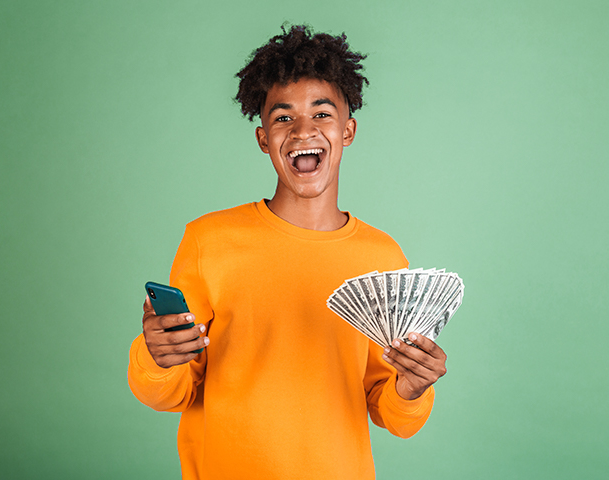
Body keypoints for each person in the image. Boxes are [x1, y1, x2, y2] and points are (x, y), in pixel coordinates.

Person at [128, 25, 447, 480]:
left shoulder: (383, 255)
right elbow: (171, 394)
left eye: (322, 114)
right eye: (283, 118)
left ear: (348, 130)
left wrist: (412, 389)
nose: (303, 130)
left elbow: (390, 412)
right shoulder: (208, 241)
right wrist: (157, 358)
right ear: (263, 139)